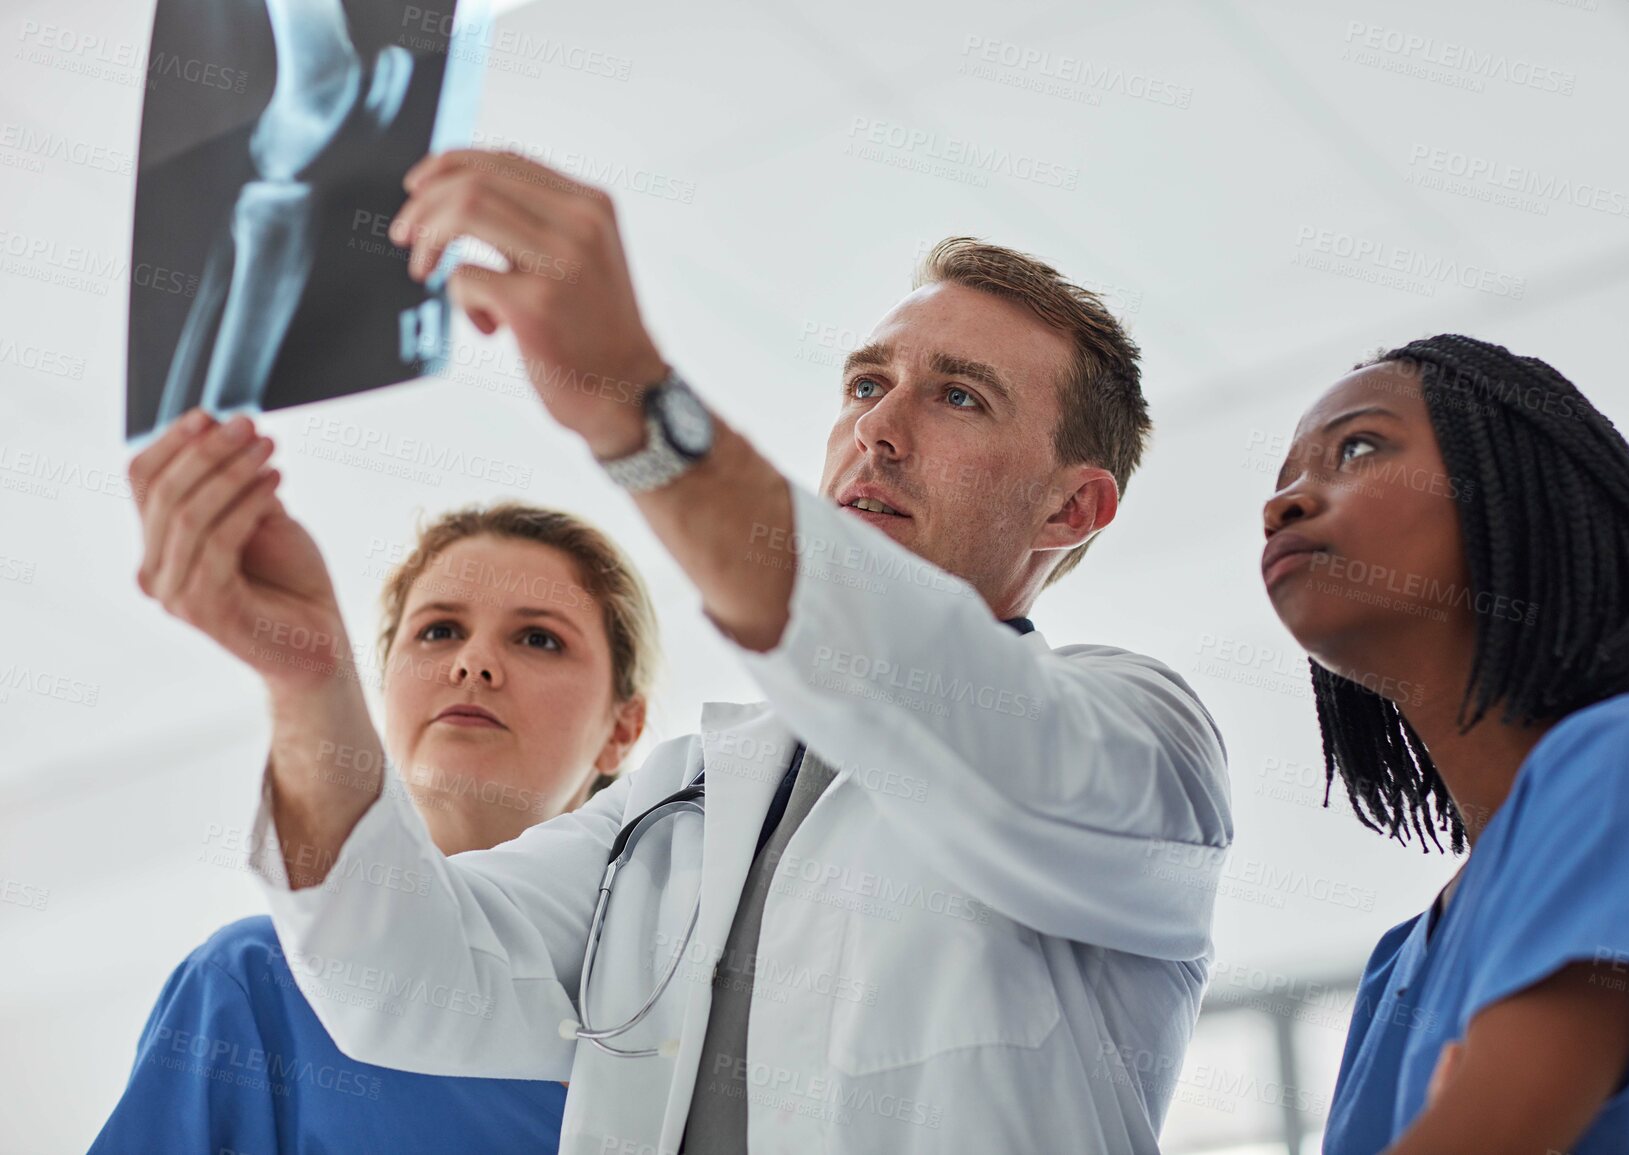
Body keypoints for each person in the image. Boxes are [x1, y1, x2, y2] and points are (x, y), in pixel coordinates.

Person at [126, 147, 1233, 1155]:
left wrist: (637, 410)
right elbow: (404, 975)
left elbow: (934, 692)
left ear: (1071, 511)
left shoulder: (1141, 744)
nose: (878, 431)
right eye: (864, 384)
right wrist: (306, 674)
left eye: (956, 396)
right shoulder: (685, 798)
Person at [1260, 333, 1629, 1154]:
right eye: (1283, 480)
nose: (1285, 503)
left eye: (1358, 447)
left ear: (1513, 490)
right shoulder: (1394, 966)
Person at [92, 498, 660, 1154]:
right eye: (439, 630)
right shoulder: (254, 987)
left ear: (623, 729)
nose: (473, 664)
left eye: (539, 638)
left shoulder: (681, 1005)